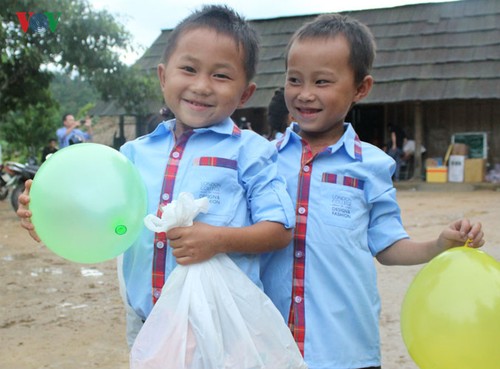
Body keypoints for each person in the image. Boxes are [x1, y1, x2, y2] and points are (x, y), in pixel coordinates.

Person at [17, 5, 295, 349]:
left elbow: (280, 229)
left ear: (245, 93)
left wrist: (218, 239)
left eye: (221, 76)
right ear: (164, 76)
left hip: (218, 326)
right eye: (189, 69)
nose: (201, 86)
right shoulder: (132, 155)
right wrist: (45, 217)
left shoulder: (251, 152)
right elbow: (103, 223)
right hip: (146, 322)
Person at [259, 13, 485, 369]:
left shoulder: (372, 166)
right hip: (266, 346)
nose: (305, 94)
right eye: (294, 80)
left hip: (345, 349)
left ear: (360, 88)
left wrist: (439, 245)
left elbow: (388, 245)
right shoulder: (262, 159)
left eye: (322, 81)